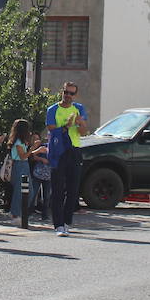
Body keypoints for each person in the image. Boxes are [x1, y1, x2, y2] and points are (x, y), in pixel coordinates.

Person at [45, 82, 89, 236]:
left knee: (73, 189)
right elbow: (51, 130)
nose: (68, 96)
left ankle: (67, 221)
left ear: (74, 95)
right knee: (57, 189)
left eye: (71, 93)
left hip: (74, 149)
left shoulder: (79, 109)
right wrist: (66, 126)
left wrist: (80, 122)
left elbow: (83, 131)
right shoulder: (53, 109)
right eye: (66, 92)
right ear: (61, 92)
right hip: (59, 151)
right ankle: (58, 225)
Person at [6, 119, 32, 219]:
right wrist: (33, 148)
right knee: (19, 190)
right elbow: (22, 156)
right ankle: (15, 213)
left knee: (29, 191)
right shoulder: (17, 142)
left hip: (24, 165)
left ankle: (20, 212)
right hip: (19, 165)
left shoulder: (22, 141)